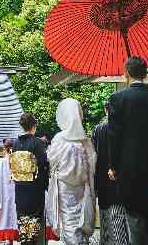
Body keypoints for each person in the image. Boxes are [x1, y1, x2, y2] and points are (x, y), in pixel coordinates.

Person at [108, 56, 148, 245]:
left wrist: (113, 166)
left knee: (133, 217)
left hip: (128, 169)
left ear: (126, 73)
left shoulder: (118, 99)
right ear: (145, 73)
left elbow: (114, 136)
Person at [46, 98, 97, 244]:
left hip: (64, 187)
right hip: (82, 186)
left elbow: (52, 160)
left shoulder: (59, 138)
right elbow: (92, 163)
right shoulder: (84, 140)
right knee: (81, 218)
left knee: (68, 221)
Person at [92, 102, 129, 245]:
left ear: (105, 110)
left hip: (102, 181)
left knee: (105, 220)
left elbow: (93, 156)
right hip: (118, 180)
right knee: (118, 219)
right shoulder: (124, 129)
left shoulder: (98, 129)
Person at [11, 113, 48, 245]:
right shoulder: (38, 143)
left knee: (23, 221)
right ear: (34, 126)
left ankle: (25, 242)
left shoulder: (15, 144)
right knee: (34, 221)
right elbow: (44, 165)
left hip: (20, 188)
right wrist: (45, 185)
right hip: (34, 188)